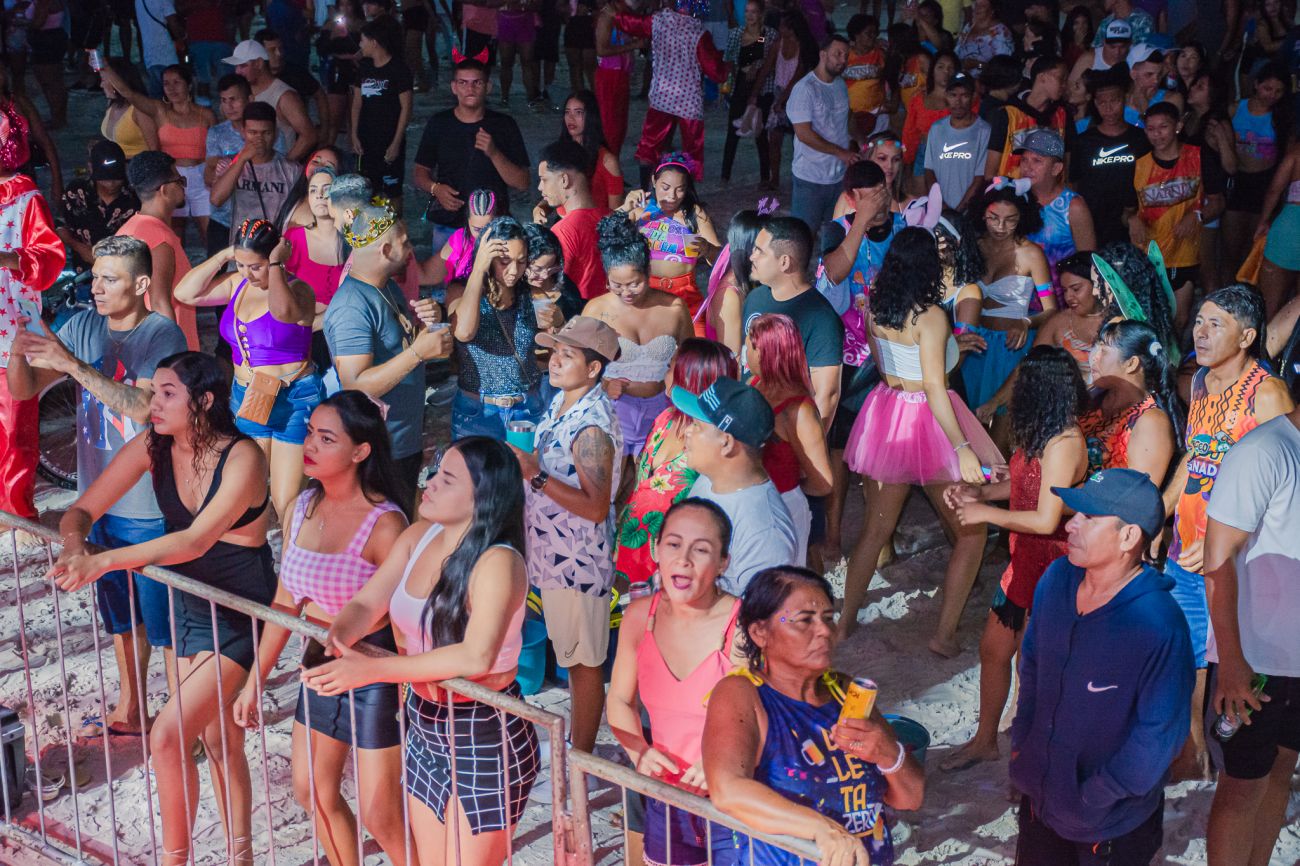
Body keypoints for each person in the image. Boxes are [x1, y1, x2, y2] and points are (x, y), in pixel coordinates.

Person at [50, 351, 277, 866]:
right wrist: (74, 547)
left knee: (170, 735)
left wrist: (103, 562)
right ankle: (237, 856)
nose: (153, 403)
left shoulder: (243, 457)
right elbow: (81, 509)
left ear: (204, 401)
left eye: (168, 393)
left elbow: (195, 541)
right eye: (154, 391)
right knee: (217, 737)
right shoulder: (154, 445)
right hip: (187, 602)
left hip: (239, 610)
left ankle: (180, 859)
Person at [303, 437, 538, 866]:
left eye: (447, 479)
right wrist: (337, 639)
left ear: (482, 496)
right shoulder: (417, 536)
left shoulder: (498, 562)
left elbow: (476, 657)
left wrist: (374, 669)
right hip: (425, 722)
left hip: (483, 729)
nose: (429, 483)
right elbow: (366, 603)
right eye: (435, 472)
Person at [8, 236, 186, 738]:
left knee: (167, 625)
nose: (97, 288)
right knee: (120, 615)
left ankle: (182, 722)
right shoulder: (83, 325)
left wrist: (72, 364)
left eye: (110, 279)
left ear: (142, 284)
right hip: (97, 502)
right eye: (96, 277)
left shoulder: (162, 334)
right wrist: (20, 347)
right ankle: (132, 707)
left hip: (151, 503)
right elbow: (25, 389)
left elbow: (143, 408)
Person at [232, 391, 409, 866]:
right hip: (320, 662)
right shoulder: (301, 506)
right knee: (311, 789)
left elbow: (398, 618)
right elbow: (284, 604)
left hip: (375, 670)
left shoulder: (386, 523)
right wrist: (255, 681)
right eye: (310, 432)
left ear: (360, 451)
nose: (309, 444)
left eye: (326, 438)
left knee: (381, 813)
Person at [1009, 469, 1192, 866]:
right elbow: (1033, 667)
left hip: (1111, 828)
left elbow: (1158, 736)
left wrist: (1093, 795)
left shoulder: (1160, 625)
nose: (1070, 525)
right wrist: (1023, 745)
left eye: (1089, 517)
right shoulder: (1057, 580)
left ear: (1129, 537)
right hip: (1040, 804)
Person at [840, 227, 1000, 652]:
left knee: (875, 530)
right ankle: (943, 635)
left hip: (886, 412)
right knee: (972, 532)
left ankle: (843, 624)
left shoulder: (876, 307)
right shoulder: (930, 316)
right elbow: (933, 386)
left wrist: (950, 350)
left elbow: (885, 367)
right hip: (928, 420)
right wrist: (963, 447)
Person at [703, 566, 925, 866]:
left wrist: (888, 754)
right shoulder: (742, 693)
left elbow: (911, 797)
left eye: (828, 618)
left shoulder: (846, 692)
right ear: (760, 632)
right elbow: (727, 790)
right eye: (805, 620)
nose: (824, 631)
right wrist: (822, 829)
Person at [1163, 286, 1293, 774]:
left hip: (1234, 555)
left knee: (1222, 655)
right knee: (1187, 646)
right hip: (1186, 544)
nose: (1200, 332)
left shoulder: (1267, 393)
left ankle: (1213, 754)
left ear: (1247, 336)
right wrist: (1162, 511)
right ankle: (1192, 749)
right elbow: (1197, 455)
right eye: (1198, 320)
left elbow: (1285, 482)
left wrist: (1219, 541)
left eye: (1215, 324)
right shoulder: (1201, 381)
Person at [939, 346, 1088, 772]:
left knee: (1035, 663)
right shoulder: (1040, 431)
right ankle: (985, 740)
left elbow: (1045, 519)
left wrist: (985, 515)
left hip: (1055, 570)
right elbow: (1024, 485)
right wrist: (979, 493)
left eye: (1022, 382)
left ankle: (1033, 750)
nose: (1014, 390)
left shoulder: (1064, 442)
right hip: (1023, 563)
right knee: (992, 650)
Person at [607, 498, 745, 866]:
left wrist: (722, 760)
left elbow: (766, 715)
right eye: (673, 544)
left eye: (701, 550)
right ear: (656, 549)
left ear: (723, 562)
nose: (683, 559)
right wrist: (639, 752)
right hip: (666, 801)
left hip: (735, 798)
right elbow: (619, 700)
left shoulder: (742, 626)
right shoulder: (639, 617)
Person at [510, 316, 623, 753]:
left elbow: (595, 506)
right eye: (555, 351)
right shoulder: (562, 400)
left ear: (593, 369)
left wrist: (534, 474)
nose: (555, 361)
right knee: (572, 653)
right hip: (552, 552)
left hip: (577, 560)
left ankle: (582, 758)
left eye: (567, 355)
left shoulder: (591, 426)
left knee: (583, 663)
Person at [1203, 400, 1300, 866]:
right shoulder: (1265, 451)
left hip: (1294, 658)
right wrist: (1232, 660)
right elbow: (1217, 560)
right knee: (1242, 787)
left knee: (1281, 771)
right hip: (1254, 660)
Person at [173, 218, 321, 518]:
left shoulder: (300, 291)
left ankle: (292, 548)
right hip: (248, 395)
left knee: (286, 500)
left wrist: (277, 265)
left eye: (256, 266)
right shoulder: (236, 284)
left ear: (274, 257)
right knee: (249, 492)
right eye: (241, 265)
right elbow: (185, 293)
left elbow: (282, 312)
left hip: (293, 397)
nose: (248, 273)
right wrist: (225, 255)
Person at [325, 204, 454, 515]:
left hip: (401, 443)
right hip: (378, 452)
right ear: (385, 250)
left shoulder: (387, 288)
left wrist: (427, 324)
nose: (411, 250)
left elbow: (398, 350)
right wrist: (418, 353)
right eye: (405, 243)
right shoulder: (352, 306)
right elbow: (355, 384)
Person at [614, 339, 737, 589]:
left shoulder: (713, 444)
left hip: (674, 570)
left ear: (689, 377)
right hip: (628, 556)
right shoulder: (664, 418)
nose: (665, 372)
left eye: (670, 367)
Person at [672, 377, 797, 595]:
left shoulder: (764, 534)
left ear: (727, 443)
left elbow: (761, 613)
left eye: (697, 426)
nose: (686, 432)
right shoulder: (708, 481)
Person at [0, 101, 63, 521]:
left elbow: (49, 258)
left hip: (12, 325)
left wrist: (6, 259)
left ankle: (15, 512)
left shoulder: (25, 197)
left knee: (14, 424)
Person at [583, 214, 693, 456]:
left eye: (634, 284)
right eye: (616, 285)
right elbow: (581, 366)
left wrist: (676, 385)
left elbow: (689, 360)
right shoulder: (596, 310)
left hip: (663, 410)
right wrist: (604, 384)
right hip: (613, 410)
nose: (626, 292)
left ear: (648, 271)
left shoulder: (674, 308)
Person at [1126, 102, 1227, 332]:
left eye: (1163, 127)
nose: (1157, 134)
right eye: (1151, 129)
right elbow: (1127, 211)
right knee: (1149, 321)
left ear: (1178, 126)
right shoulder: (1138, 164)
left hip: (1184, 254)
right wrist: (1132, 220)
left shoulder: (1199, 156)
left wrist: (1197, 215)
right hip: (1149, 254)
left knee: (1179, 321)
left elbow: (1219, 201)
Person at [413, 56, 530, 251]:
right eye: (463, 83)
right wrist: (436, 189)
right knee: (444, 272)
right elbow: (419, 172)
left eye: (477, 83)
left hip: (493, 227)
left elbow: (522, 182)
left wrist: (494, 153)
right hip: (449, 225)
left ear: (488, 87)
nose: (470, 89)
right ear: (454, 87)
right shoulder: (439, 123)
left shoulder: (504, 125)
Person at [960, 181, 1054, 423]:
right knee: (968, 423)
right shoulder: (973, 245)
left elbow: (1051, 310)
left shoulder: (1031, 254)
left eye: (1010, 220)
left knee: (1003, 427)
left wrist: (1026, 322)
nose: (1001, 227)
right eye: (993, 218)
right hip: (973, 346)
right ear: (982, 213)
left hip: (1010, 349)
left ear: (1022, 218)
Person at [447, 216, 545, 440]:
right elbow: (464, 332)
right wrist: (478, 270)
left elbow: (548, 347)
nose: (513, 270)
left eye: (521, 261)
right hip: (478, 412)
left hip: (526, 409)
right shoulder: (460, 290)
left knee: (525, 464)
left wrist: (557, 322)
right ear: (487, 258)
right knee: (476, 465)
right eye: (504, 261)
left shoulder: (531, 294)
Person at [747, 313, 833, 567]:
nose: (745, 354)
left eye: (748, 347)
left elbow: (823, 483)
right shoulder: (754, 384)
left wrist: (790, 490)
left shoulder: (798, 410)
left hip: (784, 509)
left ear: (765, 352)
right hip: (755, 503)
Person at [98, 62, 216, 245]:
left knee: (210, 237)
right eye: (166, 83)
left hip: (201, 178)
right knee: (173, 238)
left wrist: (212, 173)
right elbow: (128, 93)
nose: (171, 88)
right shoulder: (159, 110)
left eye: (176, 82)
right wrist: (104, 65)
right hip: (170, 178)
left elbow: (216, 148)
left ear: (189, 84)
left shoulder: (207, 115)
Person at [613, 0, 728, 184]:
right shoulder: (698, 33)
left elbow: (630, 23)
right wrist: (728, 66)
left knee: (650, 144)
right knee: (692, 149)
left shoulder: (658, 21)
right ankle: (688, 193)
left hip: (662, 95)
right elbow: (716, 71)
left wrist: (615, 13)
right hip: (688, 99)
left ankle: (644, 188)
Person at [744, 216, 842, 431]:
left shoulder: (822, 319)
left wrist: (808, 445)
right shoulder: (754, 298)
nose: (751, 256)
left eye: (760, 251)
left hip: (786, 435)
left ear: (784, 262)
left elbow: (826, 395)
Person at [616, 155, 721, 327]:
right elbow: (602, 231)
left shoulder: (694, 214)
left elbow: (722, 260)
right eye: (665, 187)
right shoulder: (640, 211)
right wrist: (624, 208)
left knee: (695, 343)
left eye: (680, 189)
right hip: (646, 296)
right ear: (653, 181)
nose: (672, 196)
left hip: (686, 297)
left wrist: (707, 249)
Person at [117, 150, 198, 351]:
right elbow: (159, 303)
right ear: (164, 189)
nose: (183, 187)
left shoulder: (128, 229)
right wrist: (174, 358)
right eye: (180, 181)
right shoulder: (157, 237)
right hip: (162, 351)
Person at [1080, 319, 1181, 478]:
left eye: (1103, 351)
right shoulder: (1095, 396)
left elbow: (1139, 491)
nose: (1094, 357)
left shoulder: (1152, 423)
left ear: (1131, 364)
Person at [205, 73, 290, 255]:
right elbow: (209, 178)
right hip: (224, 219)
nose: (229, 106)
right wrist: (233, 164)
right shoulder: (216, 133)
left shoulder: (273, 133)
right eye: (224, 100)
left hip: (262, 220)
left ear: (250, 99)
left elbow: (277, 171)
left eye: (234, 99)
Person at [1222, 64, 1292, 275]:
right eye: (1267, 88)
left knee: (1253, 249)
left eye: (1278, 91)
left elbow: (1287, 156)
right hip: (1237, 182)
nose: (1272, 95)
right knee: (1230, 249)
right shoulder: (1235, 109)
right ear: (1256, 84)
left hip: (1265, 184)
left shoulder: (1281, 117)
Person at [1069, 68, 1151, 248]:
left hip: (1133, 222)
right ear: (1095, 104)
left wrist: (1136, 215)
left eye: (1114, 100)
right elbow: (1073, 184)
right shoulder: (1084, 142)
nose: (1108, 108)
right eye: (1102, 102)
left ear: (1125, 99)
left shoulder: (1140, 139)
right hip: (1093, 223)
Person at [788, 33, 856, 236]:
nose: (843, 60)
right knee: (802, 236)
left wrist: (859, 140)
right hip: (810, 178)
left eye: (846, 55)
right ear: (823, 54)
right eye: (838, 54)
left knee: (835, 234)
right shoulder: (805, 89)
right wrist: (840, 152)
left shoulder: (840, 85)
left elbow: (846, 119)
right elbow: (804, 133)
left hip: (838, 177)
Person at [209, 102, 303, 247]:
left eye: (266, 133)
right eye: (252, 133)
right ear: (243, 132)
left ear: (275, 133)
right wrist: (241, 159)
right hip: (242, 246)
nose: (259, 139)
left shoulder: (292, 169)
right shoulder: (230, 164)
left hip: (277, 246)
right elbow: (216, 199)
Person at [351, 15, 414, 207]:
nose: (360, 44)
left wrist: (396, 142)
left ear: (374, 42)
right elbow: (356, 103)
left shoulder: (399, 69)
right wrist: (354, 134)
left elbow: (406, 108)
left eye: (363, 40)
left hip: (388, 138)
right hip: (366, 138)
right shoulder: (364, 67)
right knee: (366, 188)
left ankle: (395, 225)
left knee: (392, 190)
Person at [1019, 129, 1095, 287]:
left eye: (1037, 161)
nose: (1027, 167)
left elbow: (1088, 262)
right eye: (1024, 160)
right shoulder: (1016, 199)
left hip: (1061, 295)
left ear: (1056, 168)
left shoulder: (1073, 206)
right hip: (1019, 295)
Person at [536, 138, 609, 301]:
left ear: (564, 180)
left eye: (544, 179)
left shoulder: (562, 232)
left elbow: (552, 290)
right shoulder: (612, 216)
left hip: (579, 314)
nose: (540, 187)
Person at [223, 38, 318, 161]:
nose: (237, 72)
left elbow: (309, 136)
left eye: (243, 66)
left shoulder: (285, 96)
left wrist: (284, 165)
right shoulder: (238, 93)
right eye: (236, 67)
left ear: (259, 63)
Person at [983, 54, 1068, 181]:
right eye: (1061, 78)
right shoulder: (1008, 114)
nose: (1065, 85)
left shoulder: (1062, 115)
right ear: (1042, 77)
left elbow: (1068, 171)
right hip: (1011, 191)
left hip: (1049, 193)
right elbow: (990, 174)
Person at [57, 140, 139, 270]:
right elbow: (62, 227)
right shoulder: (76, 192)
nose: (111, 183)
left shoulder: (136, 197)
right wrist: (79, 247)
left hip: (125, 272)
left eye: (116, 177)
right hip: (85, 271)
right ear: (90, 168)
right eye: (104, 178)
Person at [721, 0, 777, 184]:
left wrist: (757, 66)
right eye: (747, 11)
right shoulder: (737, 34)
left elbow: (770, 60)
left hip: (763, 87)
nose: (750, 15)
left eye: (754, 12)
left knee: (760, 131)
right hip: (740, 84)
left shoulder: (768, 35)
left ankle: (764, 177)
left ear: (761, 14)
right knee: (733, 130)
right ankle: (725, 175)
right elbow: (729, 59)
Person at [923, 72, 990, 211]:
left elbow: (980, 177)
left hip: (969, 211)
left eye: (964, 95)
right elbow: (929, 170)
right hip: (940, 211)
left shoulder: (984, 130)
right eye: (953, 95)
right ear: (946, 96)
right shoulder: (936, 128)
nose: (958, 102)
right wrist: (941, 206)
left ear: (973, 97)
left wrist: (959, 212)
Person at [702, 209, 764, 355]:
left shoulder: (753, 280)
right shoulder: (729, 297)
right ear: (751, 251)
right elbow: (732, 358)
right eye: (768, 247)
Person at [1254, 139, 1300, 318]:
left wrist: (1264, 221)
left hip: (1290, 229)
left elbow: (1274, 190)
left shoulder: (1296, 152)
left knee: (1269, 307)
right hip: (1291, 229)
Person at [557, 90, 624, 211]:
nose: (570, 118)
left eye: (578, 112)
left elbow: (616, 213)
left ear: (591, 116)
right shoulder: (560, 151)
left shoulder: (607, 161)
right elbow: (552, 191)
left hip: (595, 222)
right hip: (563, 219)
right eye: (567, 112)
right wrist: (541, 207)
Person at [594, 0, 640, 158]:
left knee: (619, 126)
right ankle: (607, 165)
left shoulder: (621, 15)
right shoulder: (607, 17)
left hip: (621, 75)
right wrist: (633, 45)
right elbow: (601, 50)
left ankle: (613, 162)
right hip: (609, 76)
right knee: (610, 125)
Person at [903, 50, 957, 183]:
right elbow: (909, 132)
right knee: (921, 194)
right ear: (932, 70)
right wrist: (907, 159)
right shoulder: (918, 99)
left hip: (954, 155)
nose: (946, 72)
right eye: (941, 67)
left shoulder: (963, 100)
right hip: (924, 153)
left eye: (950, 68)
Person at [99, 58, 162, 162]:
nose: (101, 85)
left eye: (103, 80)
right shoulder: (112, 104)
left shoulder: (140, 109)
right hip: (116, 164)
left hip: (137, 165)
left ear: (117, 81)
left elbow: (154, 149)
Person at [134, 0, 185, 97]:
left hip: (150, 56)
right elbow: (173, 22)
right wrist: (182, 37)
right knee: (175, 95)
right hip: (167, 55)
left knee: (157, 98)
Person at [955, 0, 1014, 73]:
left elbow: (1001, 69)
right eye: (976, 4)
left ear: (992, 10)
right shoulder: (969, 26)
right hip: (961, 76)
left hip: (985, 79)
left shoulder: (1000, 32)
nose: (977, 8)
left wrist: (977, 64)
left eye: (982, 6)